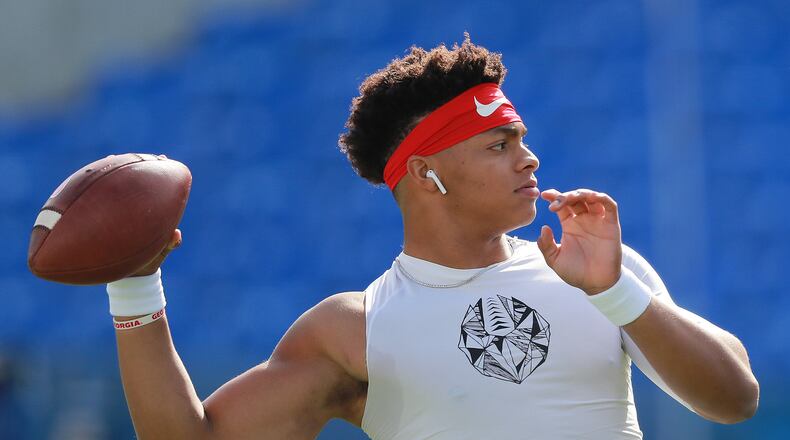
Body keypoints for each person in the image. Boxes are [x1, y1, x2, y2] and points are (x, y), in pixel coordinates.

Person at [107, 38, 759, 439]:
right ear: (425, 173)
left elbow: (735, 398)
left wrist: (615, 291)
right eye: (499, 146)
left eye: (522, 140)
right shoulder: (352, 330)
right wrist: (135, 285)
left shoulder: (598, 269)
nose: (529, 159)